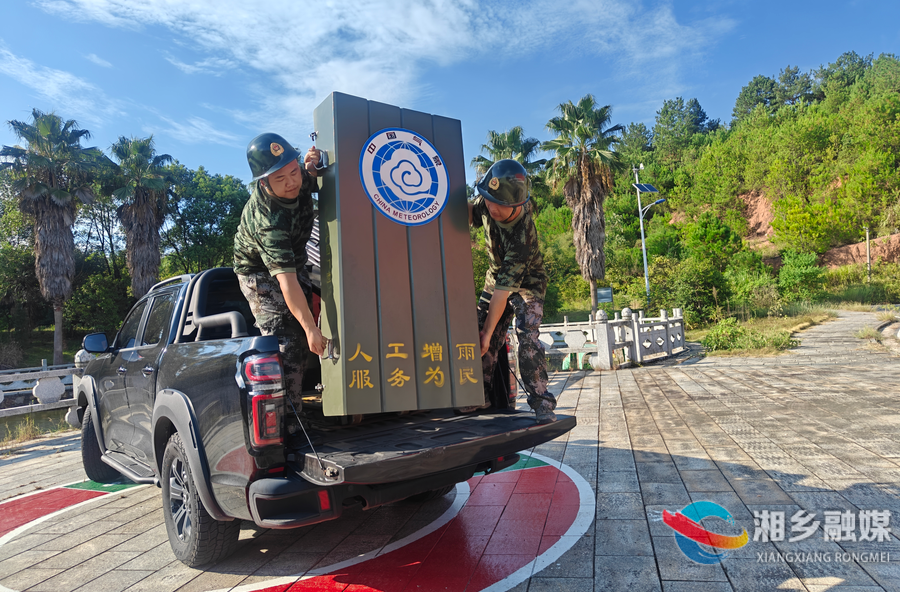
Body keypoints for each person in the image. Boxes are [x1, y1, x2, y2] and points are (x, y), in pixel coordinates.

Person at [234, 133, 327, 410]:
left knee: (310, 318)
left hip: (294, 260)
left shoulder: (297, 177)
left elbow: (312, 175)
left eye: (293, 172)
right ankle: (288, 419)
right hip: (259, 273)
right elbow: (286, 285)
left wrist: (315, 164)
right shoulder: (268, 221)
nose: (291, 183)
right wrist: (309, 328)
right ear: (264, 182)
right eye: (280, 179)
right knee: (286, 338)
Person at [468, 159, 557, 424]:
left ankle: (542, 403)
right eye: (488, 200)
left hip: (527, 283)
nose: (492, 208)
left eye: (500, 206)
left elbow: (503, 293)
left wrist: (488, 333)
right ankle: (477, 396)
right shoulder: (487, 200)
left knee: (526, 336)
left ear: (516, 205)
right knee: (479, 332)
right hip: (495, 277)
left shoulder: (523, 235)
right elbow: (470, 212)